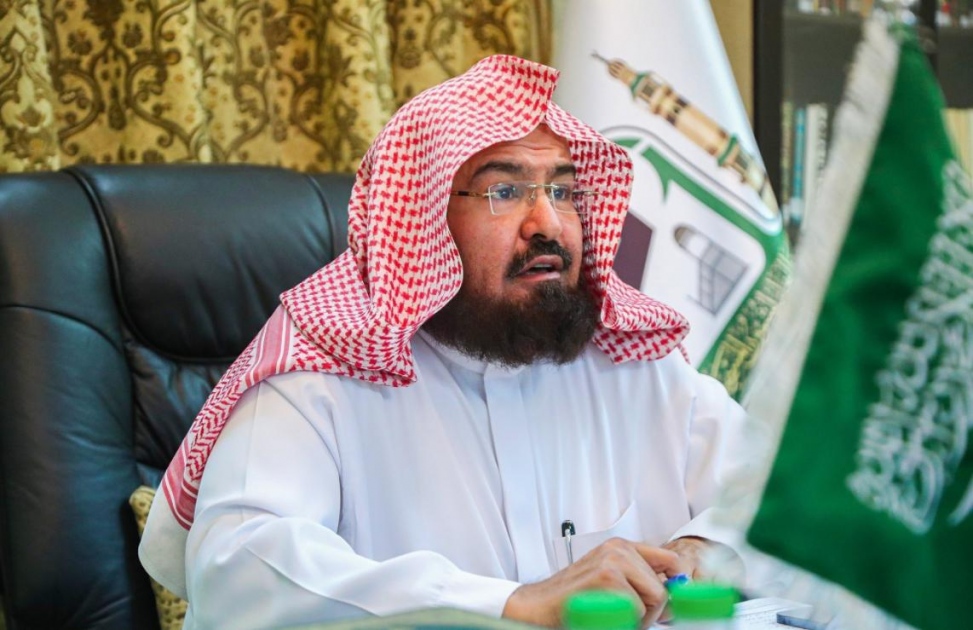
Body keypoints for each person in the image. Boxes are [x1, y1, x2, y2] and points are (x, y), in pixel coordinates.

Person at [139, 54, 748, 629]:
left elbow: (780, 496)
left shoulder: (630, 361)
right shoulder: (324, 372)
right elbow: (238, 570)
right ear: (425, 217)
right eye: (504, 192)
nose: (548, 224)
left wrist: (705, 545)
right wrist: (508, 605)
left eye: (563, 191)